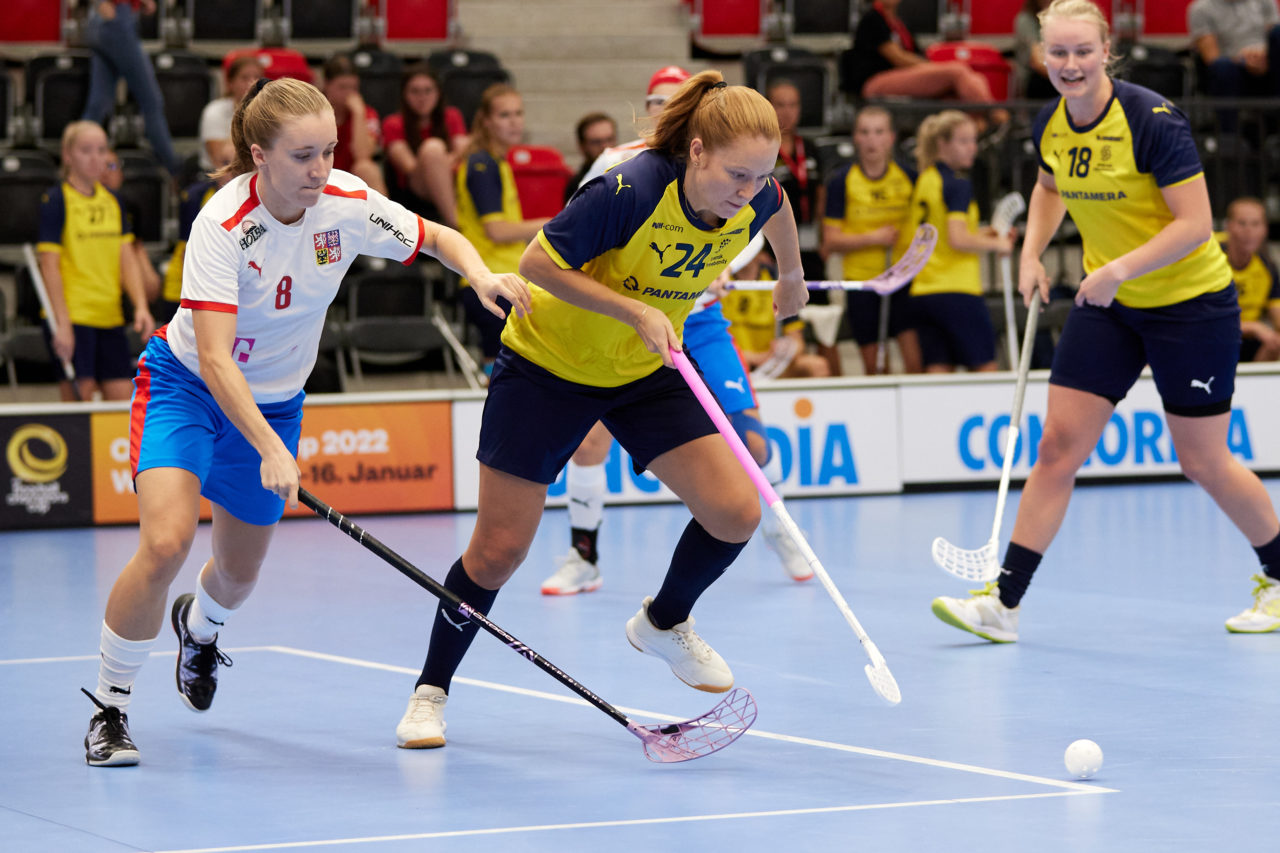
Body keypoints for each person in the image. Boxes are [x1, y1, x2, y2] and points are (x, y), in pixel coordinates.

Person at [80, 77, 529, 766]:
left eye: (329, 151)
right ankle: (110, 707)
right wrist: (269, 448)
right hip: (188, 388)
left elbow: (435, 235)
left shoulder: (344, 202)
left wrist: (478, 275)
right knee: (167, 542)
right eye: (302, 156)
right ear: (258, 156)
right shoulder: (222, 225)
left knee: (236, 575)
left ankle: (199, 633)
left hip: (279, 399)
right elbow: (215, 357)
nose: (320, 169)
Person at [394, 71, 808, 750]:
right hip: (547, 366)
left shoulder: (754, 194)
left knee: (736, 510)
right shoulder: (632, 189)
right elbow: (536, 263)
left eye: (759, 176)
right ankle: (430, 690)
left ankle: (664, 621)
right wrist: (633, 307)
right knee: (497, 553)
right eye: (737, 173)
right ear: (697, 151)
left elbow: (780, 206)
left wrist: (789, 276)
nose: (747, 192)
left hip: (642, 368)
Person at [931, 0, 1280, 643]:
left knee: (1202, 461)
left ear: (1106, 52)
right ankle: (1003, 605)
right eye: (1057, 53)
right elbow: (1048, 188)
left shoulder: (1151, 121)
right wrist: (1032, 254)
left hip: (1190, 305)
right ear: (1042, 57)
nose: (1070, 64)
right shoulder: (1052, 124)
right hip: (1111, 308)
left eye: (1082, 52)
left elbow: (1197, 224)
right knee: (1057, 448)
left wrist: (1118, 269)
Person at [539, 65, 811, 596]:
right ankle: (583, 554)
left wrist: (758, 269)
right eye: (657, 100)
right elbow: (581, 233)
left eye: (675, 100)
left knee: (751, 447)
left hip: (698, 317)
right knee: (589, 443)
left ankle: (778, 529)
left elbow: (762, 209)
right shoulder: (620, 166)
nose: (665, 110)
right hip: (620, 319)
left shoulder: (742, 174)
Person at [37, 121, 154, 402]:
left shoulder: (113, 201)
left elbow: (127, 259)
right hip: (74, 317)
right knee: (80, 406)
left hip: (109, 317)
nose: (96, 158)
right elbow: (49, 265)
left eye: (101, 150)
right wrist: (62, 324)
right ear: (68, 155)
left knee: (122, 401)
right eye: (86, 150)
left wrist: (140, 306)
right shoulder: (56, 200)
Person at [902, 109, 1010, 373]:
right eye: (964, 141)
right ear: (943, 144)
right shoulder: (958, 184)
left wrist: (985, 234)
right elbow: (957, 238)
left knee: (939, 374)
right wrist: (999, 244)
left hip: (924, 291)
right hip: (957, 289)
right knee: (986, 369)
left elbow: (940, 230)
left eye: (974, 141)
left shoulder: (926, 179)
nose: (972, 148)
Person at [454, 83, 552, 365]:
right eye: (504, 115)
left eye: (518, 113)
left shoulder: (497, 162)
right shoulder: (482, 165)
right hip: (492, 280)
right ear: (486, 121)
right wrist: (551, 224)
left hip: (505, 279)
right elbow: (495, 230)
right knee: (503, 372)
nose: (514, 121)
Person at [821, 105, 922, 375]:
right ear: (856, 138)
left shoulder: (910, 178)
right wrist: (874, 237)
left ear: (891, 138)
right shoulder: (841, 182)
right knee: (876, 368)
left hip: (902, 279)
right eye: (865, 132)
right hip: (861, 284)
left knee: (915, 364)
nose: (872, 140)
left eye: (879, 132)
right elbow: (832, 240)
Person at [847, 0, 1009, 126]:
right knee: (957, 71)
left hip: (901, 76)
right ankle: (996, 116)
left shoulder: (900, 23)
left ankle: (977, 125)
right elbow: (898, 58)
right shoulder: (872, 19)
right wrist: (933, 67)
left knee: (959, 88)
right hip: (875, 82)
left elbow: (916, 55)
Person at [81, 0, 179, 175]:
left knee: (99, 103)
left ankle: (76, 167)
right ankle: (175, 171)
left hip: (106, 20)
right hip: (116, 20)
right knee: (151, 102)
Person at [155, 140, 236, 325]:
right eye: (225, 163)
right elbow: (188, 254)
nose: (231, 172)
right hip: (184, 290)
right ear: (215, 164)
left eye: (237, 165)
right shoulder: (194, 197)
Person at [382, 63, 469, 228]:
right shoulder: (393, 123)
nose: (422, 97)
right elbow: (410, 167)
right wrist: (438, 161)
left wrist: (441, 164)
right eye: (415, 91)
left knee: (472, 147)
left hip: (451, 181)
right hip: (415, 189)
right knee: (432, 149)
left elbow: (463, 153)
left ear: (438, 93)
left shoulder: (452, 116)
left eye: (428, 91)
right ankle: (457, 224)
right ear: (404, 94)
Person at [1220, 196, 1280, 361]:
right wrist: (1254, 327)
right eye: (1242, 223)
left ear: (1265, 229)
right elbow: (1202, 318)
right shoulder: (1212, 258)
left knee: (1275, 344)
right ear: (1228, 226)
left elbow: (1277, 316)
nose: (1249, 231)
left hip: (1249, 341)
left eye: (1255, 224)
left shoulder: (1267, 266)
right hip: (1215, 336)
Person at [102, 148, 162, 304]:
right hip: (101, 268)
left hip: (126, 261)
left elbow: (136, 248)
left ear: (121, 174)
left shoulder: (130, 207)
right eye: (102, 166)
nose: (106, 172)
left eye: (112, 166)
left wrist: (149, 280)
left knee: (151, 284)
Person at [320, 55, 387, 195]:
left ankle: (385, 217)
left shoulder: (366, 113)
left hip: (351, 180)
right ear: (326, 84)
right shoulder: (312, 112)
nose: (348, 94)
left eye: (353, 88)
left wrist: (358, 114)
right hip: (318, 174)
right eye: (342, 87)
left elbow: (363, 155)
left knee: (367, 168)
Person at [1188, 0, 1280, 100]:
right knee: (1222, 66)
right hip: (1233, 66)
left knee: (1278, 32)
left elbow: (1274, 38)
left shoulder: (1265, 2)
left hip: (1268, 62)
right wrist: (1243, 59)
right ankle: (1227, 114)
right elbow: (1211, 58)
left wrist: (1264, 55)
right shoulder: (1201, 9)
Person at [199, 55, 263, 175]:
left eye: (257, 77)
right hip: (217, 177)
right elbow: (220, 159)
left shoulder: (269, 111)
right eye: (244, 78)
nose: (252, 82)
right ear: (230, 83)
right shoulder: (214, 111)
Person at [565, 112, 618, 204]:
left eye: (609, 139)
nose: (605, 147)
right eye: (596, 142)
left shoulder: (628, 175)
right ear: (582, 146)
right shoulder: (578, 186)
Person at [1015, 0, 1058, 99]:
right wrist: (1067, 79)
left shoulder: (1073, 20)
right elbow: (1038, 61)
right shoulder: (1026, 20)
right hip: (1039, 79)